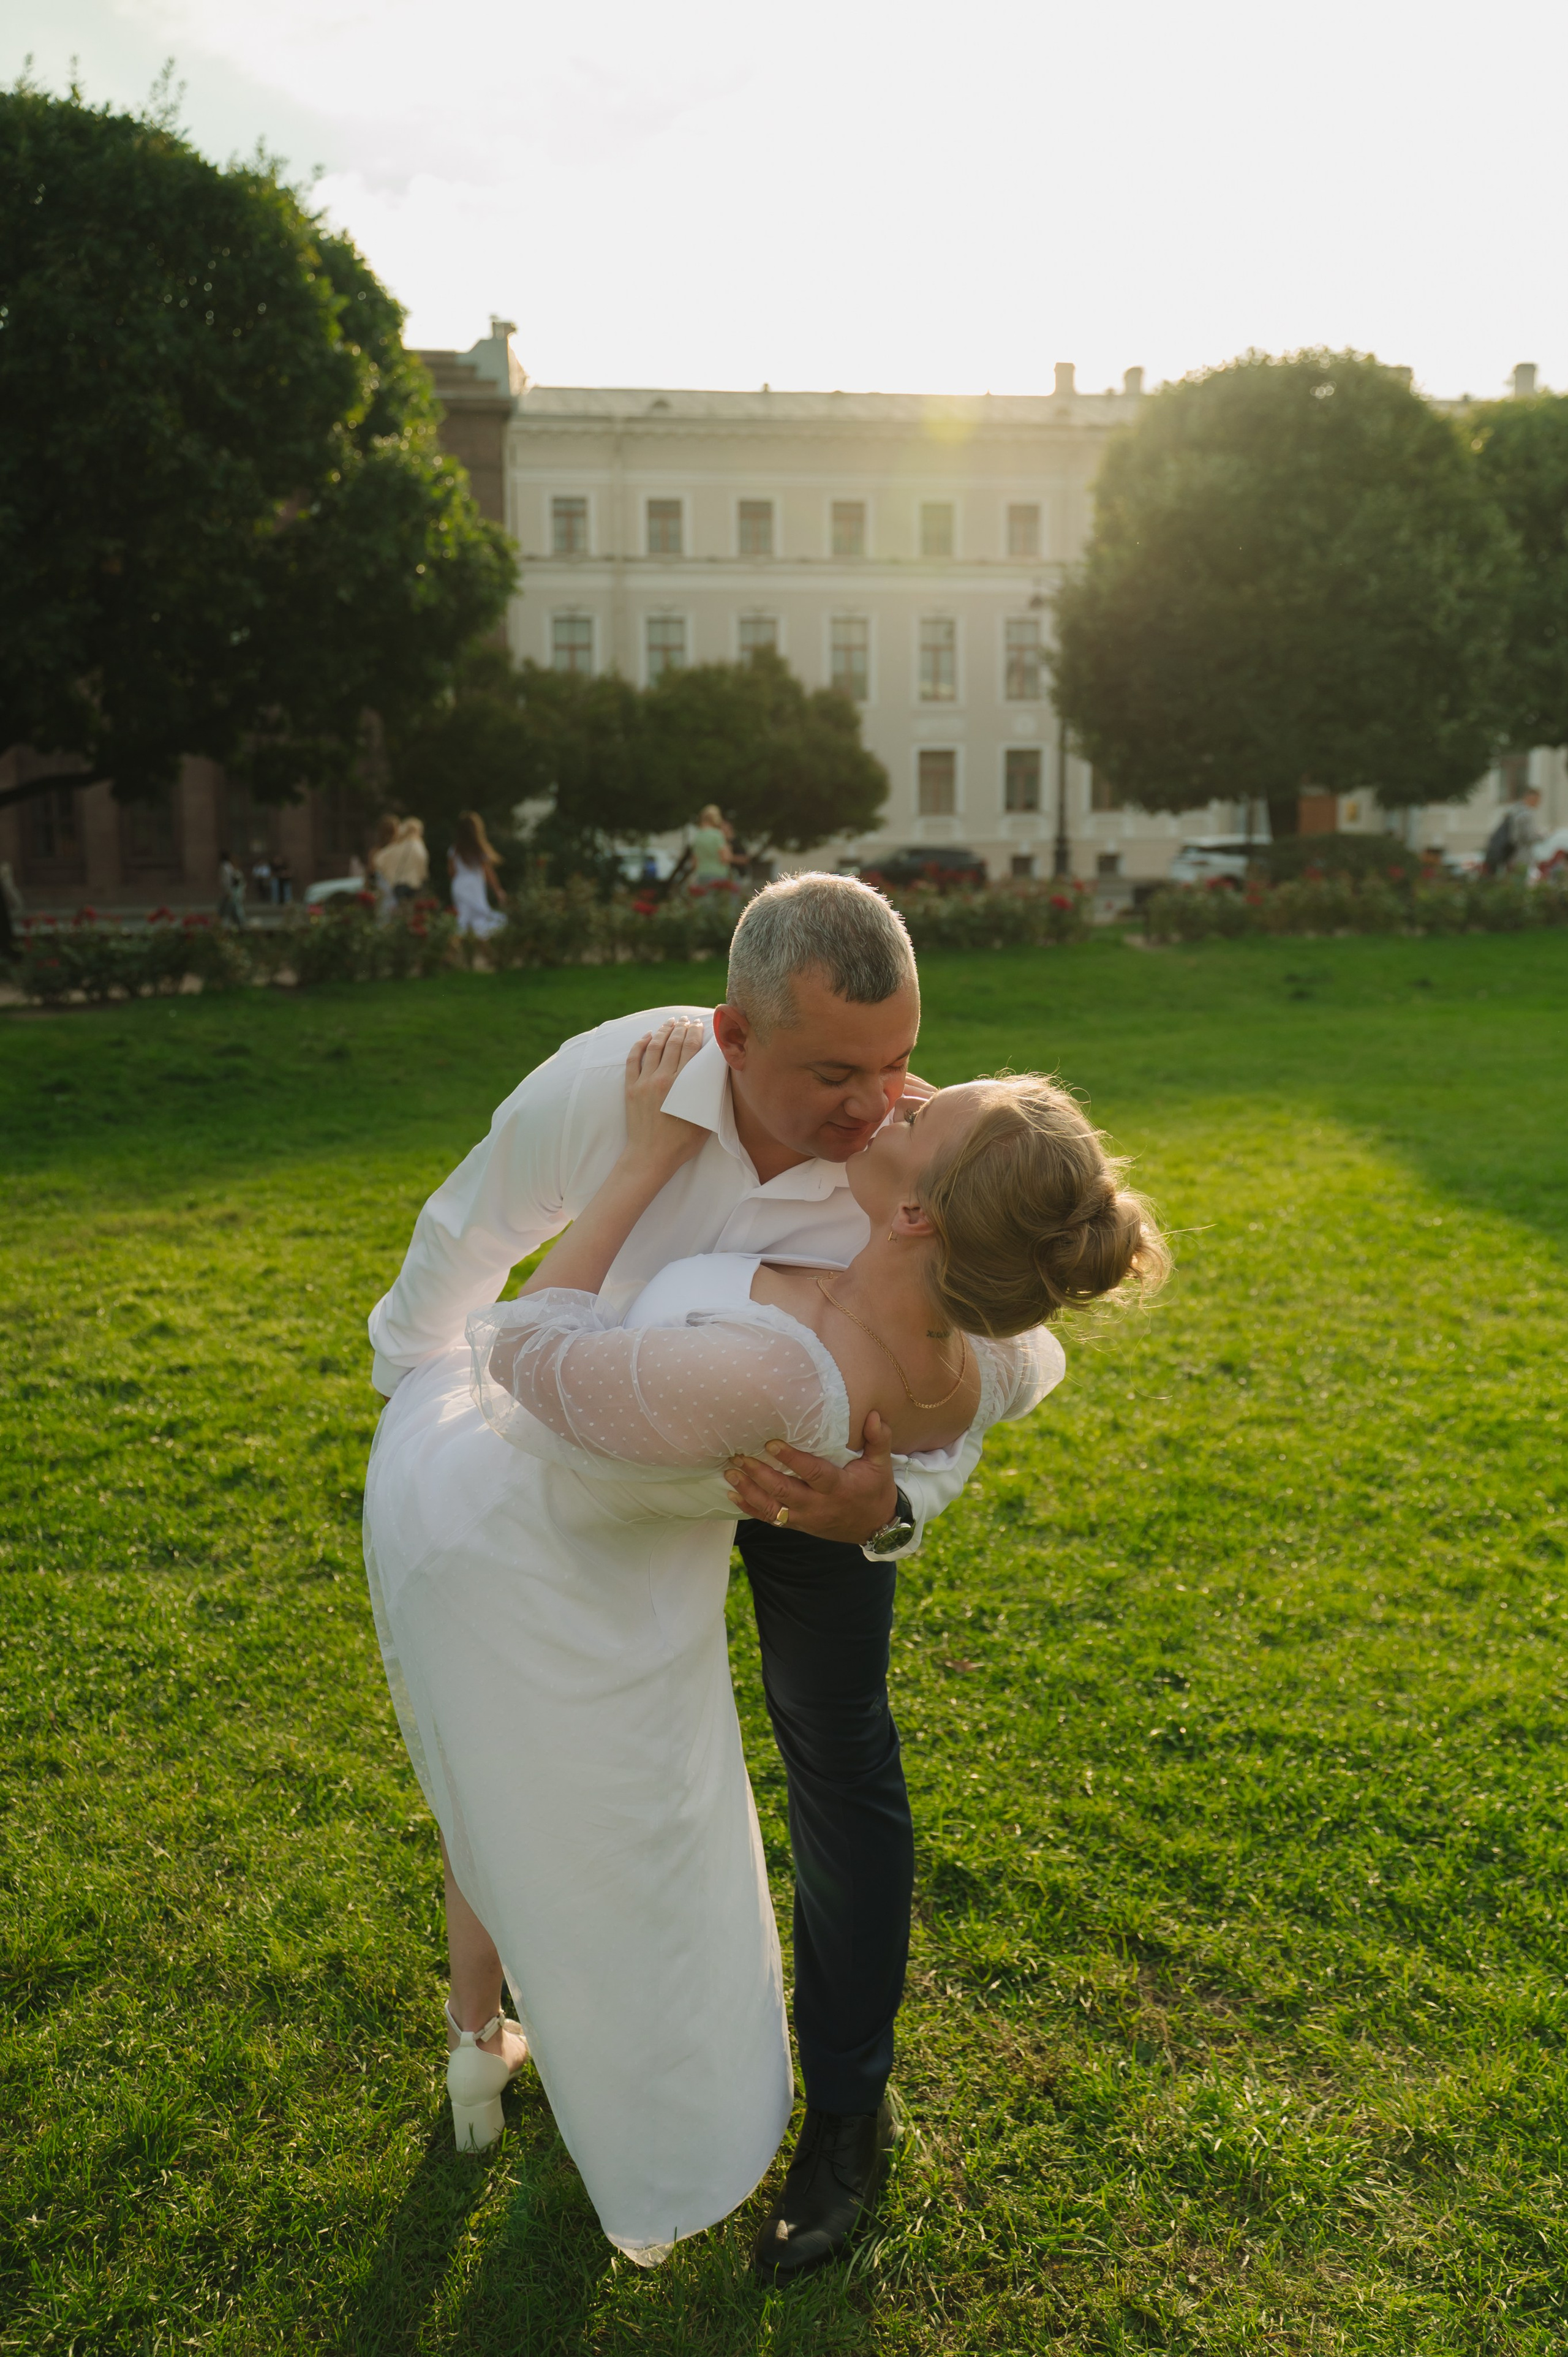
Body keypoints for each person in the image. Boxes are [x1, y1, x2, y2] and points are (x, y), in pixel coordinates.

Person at [365, 874, 1167, 2276]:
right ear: (732, 1036)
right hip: (599, 1462)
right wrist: (421, 1434)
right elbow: (461, 1248)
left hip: (819, 1476)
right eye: (837, 1073)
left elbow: (1005, 1356)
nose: (881, 1098)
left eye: (902, 1061)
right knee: (560, 1760)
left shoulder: (918, 1173)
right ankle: (525, 2024)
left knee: (837, 1751)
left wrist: (887, 1501)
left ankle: (844, 2119)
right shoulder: (614, 1086)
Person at [448, 810, 507, 938]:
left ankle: (459, 945)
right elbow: (489, 873)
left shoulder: (454, 849)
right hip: (474, 884)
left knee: (463, 918)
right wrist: (498, 890)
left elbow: (452, 872)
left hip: (460, 883)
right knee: (480, 917)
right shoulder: (479, 850)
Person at [1483, 786, 1543, 875]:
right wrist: (1542, 836)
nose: (1539, 803)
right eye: (1538, 800)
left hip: (1509, 854)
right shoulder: (1526, 814)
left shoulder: (1514, 810)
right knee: (1519, 881)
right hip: (1521, 856)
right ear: (1532, 798)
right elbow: (1528, 837)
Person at [689, 803, 738, 892]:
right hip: (718, 875)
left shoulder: (698, 836)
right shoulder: (717, 835)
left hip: (702, 874)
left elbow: (694, 862)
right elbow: (726, 858)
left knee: (705, 904)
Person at [217, 848, 247, 929]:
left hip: (234, 893)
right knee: (231, 910)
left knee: (231, 910)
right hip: (233, 893)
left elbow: (227, 881)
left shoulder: (228, 868)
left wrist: (229, 891)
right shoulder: (229, 868)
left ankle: (238, 925)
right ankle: (238, 925)